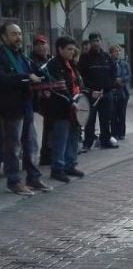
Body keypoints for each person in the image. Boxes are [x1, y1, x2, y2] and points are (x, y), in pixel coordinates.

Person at [0, 22, 50, 195]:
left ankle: (33, 178)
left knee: (31, 145)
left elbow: (35, 73)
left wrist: (46, 80)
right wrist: (27, 78)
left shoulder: (22, 56)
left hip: (27, 106)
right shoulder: (2, 55)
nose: (18, 37)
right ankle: (14, 181)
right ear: (4, 37)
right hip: (11, 109)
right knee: (13, 147)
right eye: (14, 34)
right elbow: (4, 80)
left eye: (20, 34)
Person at [40, 36, 85, 183]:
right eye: (69, 49)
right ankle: (57, 169)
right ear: (60, 49)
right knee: (61, 139)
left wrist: (85, 95)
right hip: (61, 109)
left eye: (73, 49)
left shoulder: (70, 64)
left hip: (74, 107)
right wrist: (71, 101)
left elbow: (76, 83)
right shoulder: (53, 65)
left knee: (73, 137)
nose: (72, 52)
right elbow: (59, 88)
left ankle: (70, 164)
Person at [78, 32, 118, 150]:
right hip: (91, 95)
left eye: (97, 40)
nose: (95, 43)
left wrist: (108, 87)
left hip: (106, 94)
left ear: (101, 41)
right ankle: (88, 143)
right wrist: (90, 91)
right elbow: (80, 76)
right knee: (90, 119)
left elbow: (113, 73)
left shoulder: (106, 57)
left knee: (105, 119)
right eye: (93, 41)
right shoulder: (85, 57)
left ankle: (105, 140)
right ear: (90, 43)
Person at [31, 35, 53, 166]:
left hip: (50, 98)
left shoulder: (50, 60)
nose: (41, 47)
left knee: (50, 126)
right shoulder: (32, 61)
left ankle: (48, 153)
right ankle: (45, 155)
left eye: (43, 44)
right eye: (37, 44)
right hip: (37, 99)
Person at [109, 45, 130, 140]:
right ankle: (114, 132)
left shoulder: (124, 64)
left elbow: (129, 75)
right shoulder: (109, 63)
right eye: (115, 51)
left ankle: (122, 133)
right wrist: (114, 80)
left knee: (122, 113)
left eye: (118, 51)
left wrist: (122, 79)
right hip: (113, 90)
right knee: (113, 113)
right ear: (111, 53)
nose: (117, 53)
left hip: (123, 90)